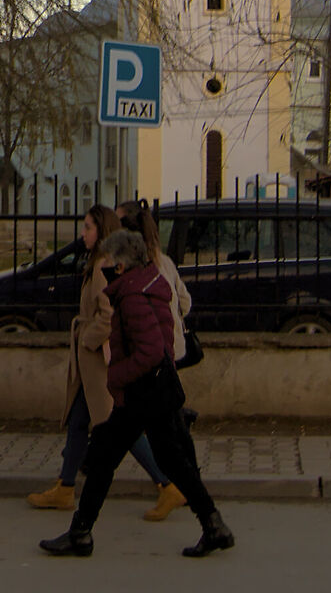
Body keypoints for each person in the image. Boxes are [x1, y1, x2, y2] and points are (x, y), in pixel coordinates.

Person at [38, 229, 234, 559]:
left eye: (109, 262)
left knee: (109, 457)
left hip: (144, 392)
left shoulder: (131, 297)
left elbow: (151, 351)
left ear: (121, 264)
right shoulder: (146, 286)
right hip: (155, 390)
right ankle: (213, 526)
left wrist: (115, 377)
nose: (105, 267)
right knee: (153, 458)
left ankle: (81, 533)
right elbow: (164, 346)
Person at [25, 205, 169, 514]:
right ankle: (65, 488)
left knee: (121, 428)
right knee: (78, 423)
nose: (82, 233)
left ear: (100, 231)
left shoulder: (105, 268)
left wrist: (86, 339)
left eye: (88, 227)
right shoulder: (97, 263)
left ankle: (167, 485)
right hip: (90, 368)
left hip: (100, 364)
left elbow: (108, 316)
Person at [119, 198, 196, 522]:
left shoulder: (138, 266)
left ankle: (174, 486)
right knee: (161, 421)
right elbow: (186, 302)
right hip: (170, 352)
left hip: (151, 354)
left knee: (143, 424)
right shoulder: (163, 261)